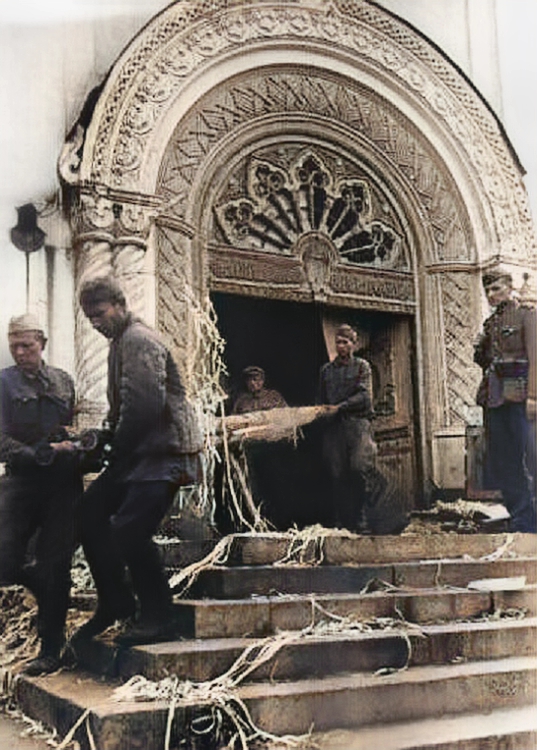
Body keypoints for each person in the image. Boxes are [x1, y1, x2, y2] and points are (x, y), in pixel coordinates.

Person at [72, 276, 203, 646]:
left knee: (130, 531)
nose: (95, 323)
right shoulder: (120, 341)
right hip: (141, 455)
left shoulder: (138, 339)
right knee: (88, 512)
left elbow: (144, 408)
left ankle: (159, 615)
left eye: (100, 314)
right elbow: (124, 407)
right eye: (89, 318)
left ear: (119, 305)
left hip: (165, 455)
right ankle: (115, 601)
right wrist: (104, 436)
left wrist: (115, 451)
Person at [0, 314, 83, 675]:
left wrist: (74, 441)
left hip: (63, 486)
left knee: (57, 567)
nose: (20, 352)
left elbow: (70, 425)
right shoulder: (3, 383)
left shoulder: (64, 381)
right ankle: (38, 581)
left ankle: (51, 649)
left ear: (42, 344)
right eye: (14, 346)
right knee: (5, 558)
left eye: (27, 345)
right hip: (21, 482)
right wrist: (38, 453)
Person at [474, 266, 536, 533]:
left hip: (520, 396)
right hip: (495, 397)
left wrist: (533, 396)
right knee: (503, 459)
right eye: (487, 290)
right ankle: (522, 519)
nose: (491, 294)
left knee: (531, 456)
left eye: (496, 288)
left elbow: (535, 357)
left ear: (509, 288)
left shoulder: (526, 315)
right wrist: (479, 348)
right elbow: (486, 361)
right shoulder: (490, 324)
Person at [317, 324, 376, 531]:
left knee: (358, 469)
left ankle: (361, 517)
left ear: (353, 344)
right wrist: (322, 412)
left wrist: (340, 407)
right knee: (336, 474)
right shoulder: (326, 371)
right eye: (338, 342)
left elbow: (365, 396)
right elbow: (320, 399)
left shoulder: (362, 367)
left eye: (345, 342)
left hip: (357, 425)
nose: (341, 346)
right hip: (334, 428)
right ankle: (340, 520)